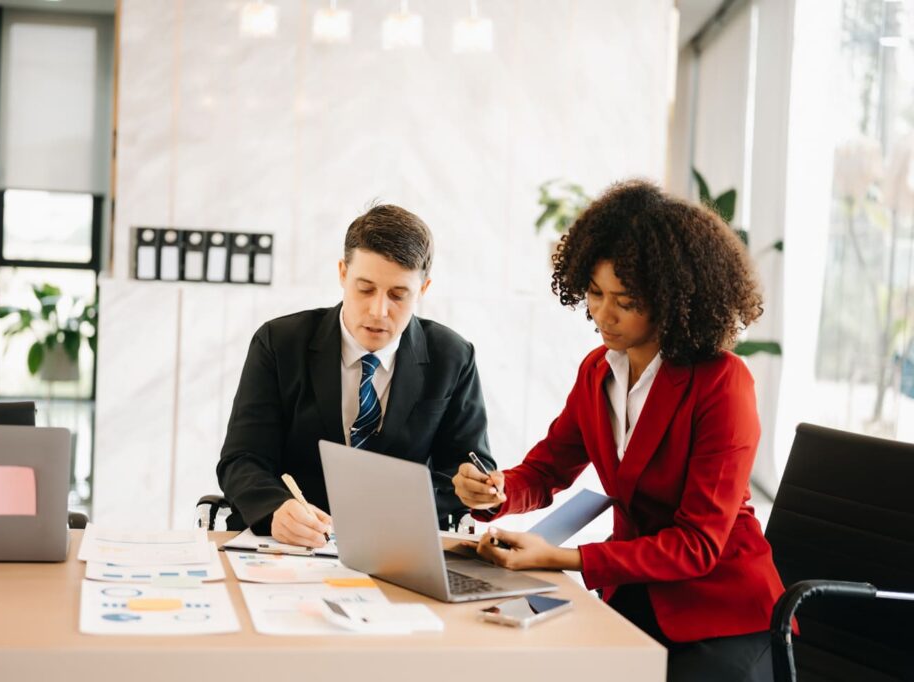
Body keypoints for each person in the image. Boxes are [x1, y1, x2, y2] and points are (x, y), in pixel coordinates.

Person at [453, 180, 785, 681]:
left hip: (720, 609)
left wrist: (567, 558)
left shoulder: (722, 383)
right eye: (594, 293)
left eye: (624, 301)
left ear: (673, 300)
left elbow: (697, 543)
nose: (602, 315)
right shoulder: (598, 372)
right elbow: (546, 469)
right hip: (634, 593)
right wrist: (495, 491)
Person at [218, 204, 493, 548]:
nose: (378, 311)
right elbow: (241, 459)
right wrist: (276, 508)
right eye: (365, 289)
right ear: (342, 274)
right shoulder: (279, 343)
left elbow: (466, 467)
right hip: (290, 545)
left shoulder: (452, 356)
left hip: (399, 545)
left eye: (398, 295)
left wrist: (476, 487)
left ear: (423, 289)